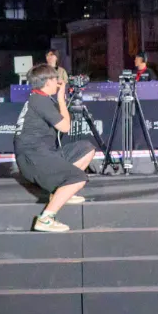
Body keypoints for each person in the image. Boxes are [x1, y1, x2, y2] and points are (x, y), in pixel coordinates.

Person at [16, 64, 98, 233]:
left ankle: (61, 192)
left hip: (44, 153)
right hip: (34, 158)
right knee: (78, 178)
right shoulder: (40, 101)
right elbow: (65, 127)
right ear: (47, 82)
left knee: (87, 149)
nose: (59, 82)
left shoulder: (39, 98)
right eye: (55, 79)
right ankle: (46, 219)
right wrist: (61, 98)